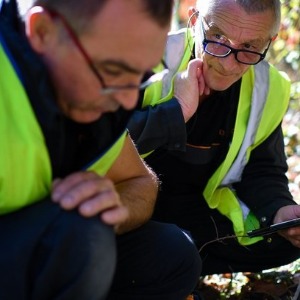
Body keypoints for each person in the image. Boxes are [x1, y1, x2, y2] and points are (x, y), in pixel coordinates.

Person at [0, 0, 202, 299]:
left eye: (140, 75)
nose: (127, 101)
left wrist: (115, 208)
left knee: (172, 254)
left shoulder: (88, 94)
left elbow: (141, 182)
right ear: (42, 31)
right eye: (113, 71)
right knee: (81, 238)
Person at [128, 0, 300, 276]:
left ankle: (167, 267)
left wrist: (279, 209)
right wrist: (175, 112)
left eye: (249, 47)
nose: (227, 63)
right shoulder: (144, 59)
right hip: (127, 208)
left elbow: (263, 169)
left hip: (195, 210)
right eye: (218, 37)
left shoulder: (270, 88)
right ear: (194, 22)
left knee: (283, 244)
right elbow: (99, 145)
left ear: (269, 42)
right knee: (175, 251)